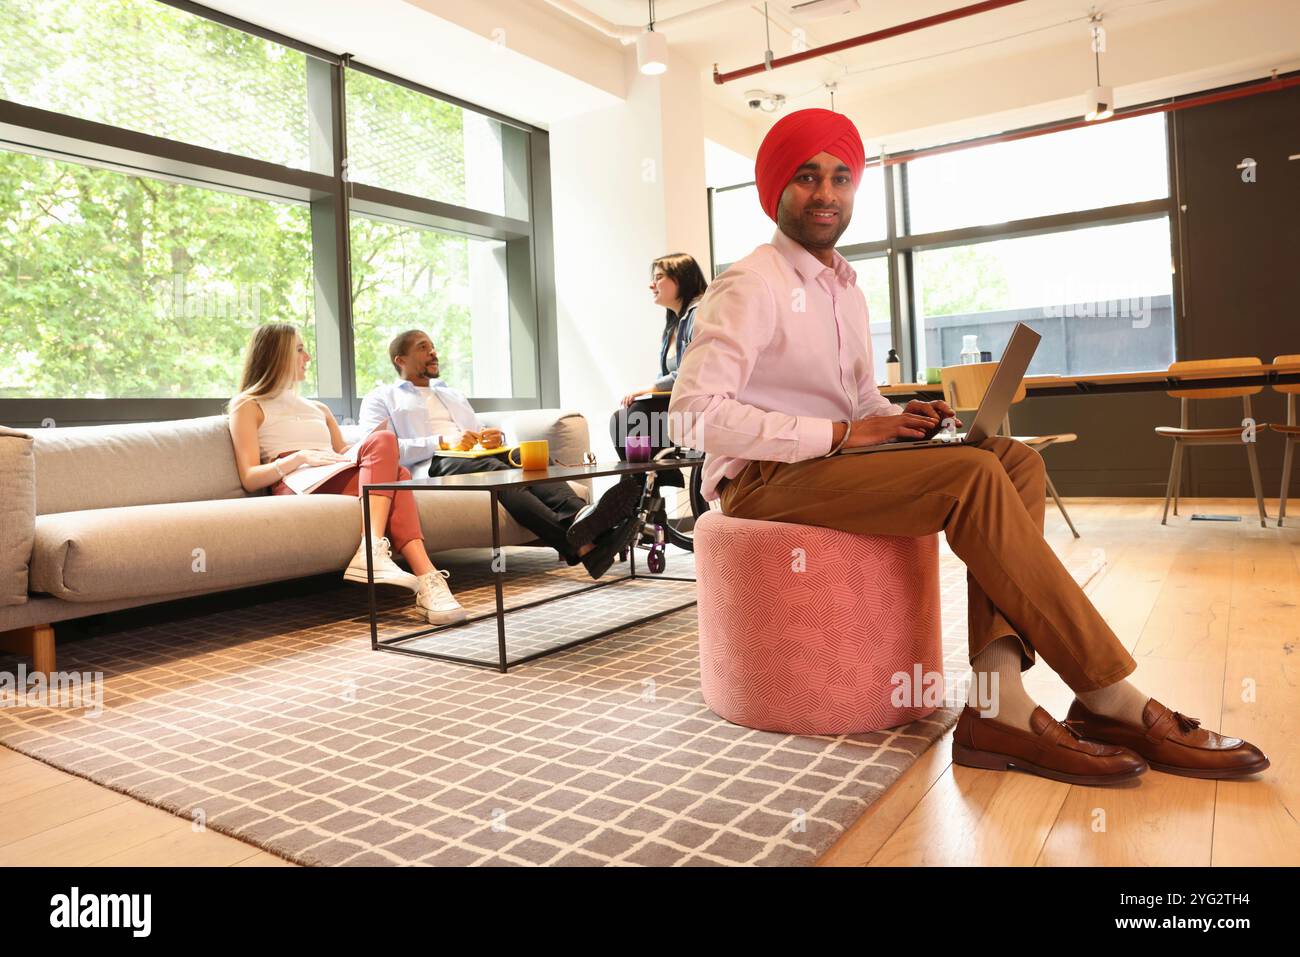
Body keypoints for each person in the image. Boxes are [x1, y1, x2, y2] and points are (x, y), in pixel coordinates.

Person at [668, 108, 1268, 785]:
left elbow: (857, 399)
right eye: (807, 177)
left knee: (1015, 459)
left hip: (831, 463)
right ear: (775, 190)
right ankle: (1109, 696)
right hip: (764, 479)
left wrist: (895, 417)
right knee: (974, 477)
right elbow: (691, 416)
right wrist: (840, 434)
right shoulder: (750, 284)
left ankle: (999, 697)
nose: (827, 193)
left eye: (840, 177)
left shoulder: (845, 288)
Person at [227, 323, 466, 625]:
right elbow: (249, 476)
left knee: (396, 465)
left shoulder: (318, 409)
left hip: (332, 471)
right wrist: (298, 457)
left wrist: (369, 447)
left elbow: (341, 452)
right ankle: (413, 572)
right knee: (396, 467)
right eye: (300, 349)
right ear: (277, 355)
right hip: (296, 481)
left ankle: (419, 577)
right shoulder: (248, 405)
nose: (308, 357)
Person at [360, 330, 643, 580]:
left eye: (433, 346)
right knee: (497, 470)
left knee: (531, 457)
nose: (433, 352)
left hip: (475, 457)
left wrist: (495, 436)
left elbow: (477, 432)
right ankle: (585, 540)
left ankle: (582, 519)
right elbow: (378, 448)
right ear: (400, 359)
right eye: (423, 347)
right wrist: (442, 441)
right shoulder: (382, 397)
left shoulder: (451, 394)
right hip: (433, 464)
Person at [608, 253, 708, 487]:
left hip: (698, 413)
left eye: (659, 277)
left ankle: (635, 491)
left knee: (636, 414)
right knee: (620, 419)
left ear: (681, 280)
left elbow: (690, 373)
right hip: (678, 410)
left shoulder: (699, 314)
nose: (651, 284)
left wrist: (649, 389)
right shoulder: (674, 323)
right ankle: (645, 489)